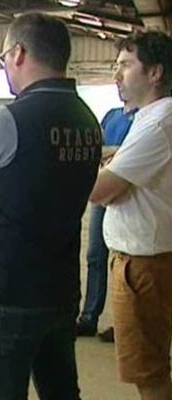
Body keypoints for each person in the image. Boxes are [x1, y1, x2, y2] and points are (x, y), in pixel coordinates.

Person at [0, 14, 101, 398]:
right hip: (60, 290)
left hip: (7, 293)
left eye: (3, 58)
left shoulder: (5, 120)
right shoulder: (87, 120)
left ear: (19, 53)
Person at [90, 31, 172, 400]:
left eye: (125, 65)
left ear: (154, 72)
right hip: (145, 257)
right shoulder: (148, 118)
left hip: (145, 263)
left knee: (149, 371)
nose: (117, 74)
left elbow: (102, 189)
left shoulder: (158, 121)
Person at [76, 102, 136, 340]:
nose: (119, 77)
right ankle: (89, 316)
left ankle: (125, 323)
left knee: (127, 261)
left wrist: (116, 155)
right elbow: (96, 146)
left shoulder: (149, 118)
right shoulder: (111, 115)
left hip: (130, 193)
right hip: (104, 187)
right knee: (95, 255)